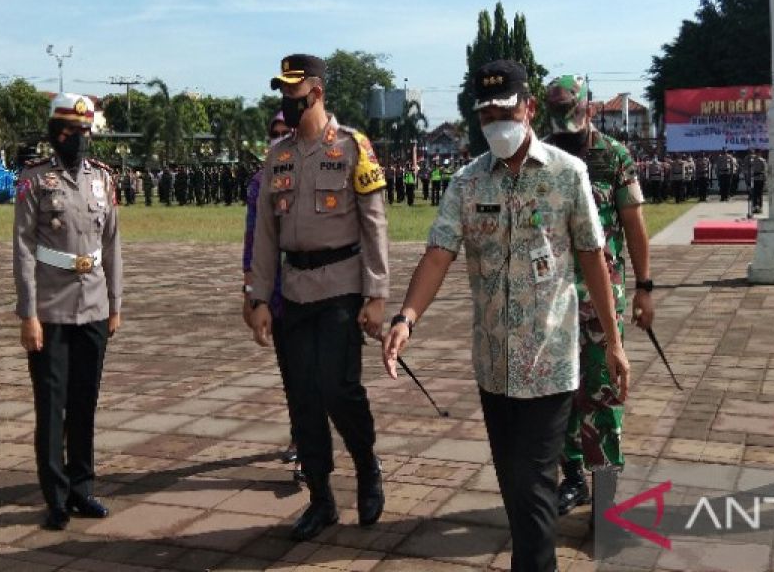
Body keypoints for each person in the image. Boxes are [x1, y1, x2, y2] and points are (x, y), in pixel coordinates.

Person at [383, 60, 630, 572]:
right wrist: (406, 318)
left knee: (535, 487)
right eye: (486, 112)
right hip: (494, 366)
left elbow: (591, 256)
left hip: (551, 361)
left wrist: (613, 339)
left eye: (505, 109)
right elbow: (438, 252)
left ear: (529, 108)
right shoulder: (467, 183)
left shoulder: (568, 175)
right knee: (514, 481)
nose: (496, 120)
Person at [249, 54, 389, 541]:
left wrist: (377, 293)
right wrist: (258, 297)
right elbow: (266, 233)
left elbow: (374, 224)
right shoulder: (277, 156)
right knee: (303, 398)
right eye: (281, 92)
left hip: (342, 287)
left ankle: (368, 468)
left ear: (316, 91)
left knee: (337, 387)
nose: (286, 101)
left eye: (293, 91)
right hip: (294, 292)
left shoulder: (353, 147)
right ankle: (322, 499)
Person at [542, 75, 653, 520]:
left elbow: (634, 225)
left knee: (603, 395)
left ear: (588, 107)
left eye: (573, 114)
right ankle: (572, 479)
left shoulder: (613, 156)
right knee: (560, 395)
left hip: (602, 298)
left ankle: (606, 495)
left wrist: (645, 288)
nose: (567, 129)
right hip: (552, 299)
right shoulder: (543, 154)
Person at [13, 93, 123, 531]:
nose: (79, 140)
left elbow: (112, 244)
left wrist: (116, 304)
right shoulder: (34, 180)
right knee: (51, 405)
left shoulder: (103, 179)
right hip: (51, 310)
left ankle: (82, 488)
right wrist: (28, 313)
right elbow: (23, 247)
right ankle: (55, 496)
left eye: (84, 132)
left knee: (84, 404)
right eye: (70, 132)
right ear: (55, 134)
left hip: (93, 305)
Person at [242, 111, 303, 483]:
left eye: (286, 133)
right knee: (292, 372)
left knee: (323, 377)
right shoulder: (259, 182)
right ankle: (302, 437)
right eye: (274, 134)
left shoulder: (319, 173)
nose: (279, 139)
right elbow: (253, 242)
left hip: (320, 288)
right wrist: (251, 295)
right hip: (279, 293)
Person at [746, 148, 768, 214]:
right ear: (759, 153)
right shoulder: (762, 160)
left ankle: (756, 207)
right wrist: (765, 180)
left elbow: (749, 171)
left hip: (755, 179)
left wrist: (748, 179)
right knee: (758, 194)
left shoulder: (752, 161)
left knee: (755, 194)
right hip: (759, 178)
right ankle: (758, 207)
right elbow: (765, 171)